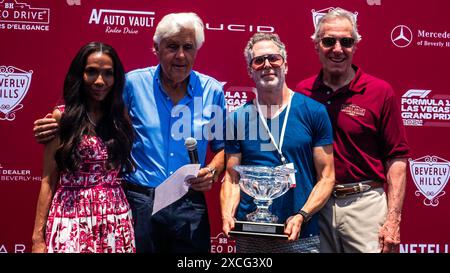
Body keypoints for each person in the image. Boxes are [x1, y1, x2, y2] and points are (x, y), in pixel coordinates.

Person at [33, 12, 225, 253]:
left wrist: (213, 172)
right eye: (172, 46)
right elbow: (93, 114)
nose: (181, 55)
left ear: (197, 50)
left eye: (188, 47)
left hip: (188, 201)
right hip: (138, 201)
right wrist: (56, 124)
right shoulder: (132, 84)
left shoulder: (213, 91)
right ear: (156, 47)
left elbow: (222, 148)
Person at [295, 7, 410, 253]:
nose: (337, 49)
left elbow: (397, 158)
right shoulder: (302, 93)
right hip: (317, 207)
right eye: (328, 41)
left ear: (355, 45)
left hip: (365, 205)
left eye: (346, 41)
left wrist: (393, 221)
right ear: (316, 44)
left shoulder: (380, 92)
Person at [220, 33, 335, 253]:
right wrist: (227, 214)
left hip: (300, 234)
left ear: (286, 65)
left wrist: (303, 215)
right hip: (250, 236)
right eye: (259, 60)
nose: (267, 65)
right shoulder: (237, 118)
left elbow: (327, 177)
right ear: (250, 70)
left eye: (274, 58)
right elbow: (232, 178)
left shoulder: (313, 112)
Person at [31, 42, 136, 253]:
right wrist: (37, 239)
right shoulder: (62, 117)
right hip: (70, 217)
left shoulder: (119, 117)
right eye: (92, 72)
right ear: (80, 74)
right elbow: (48, 179)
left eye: (108, 73)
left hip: (115, 217)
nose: (100, 81)